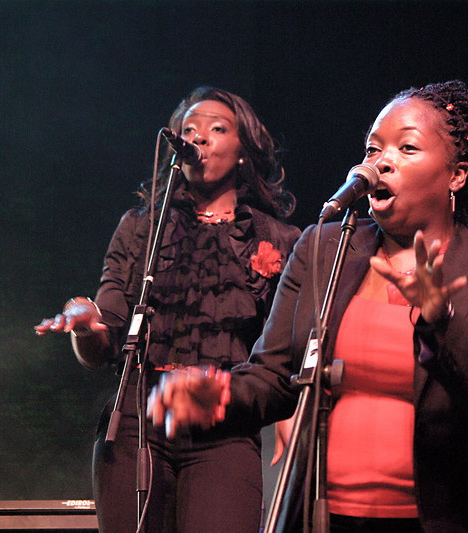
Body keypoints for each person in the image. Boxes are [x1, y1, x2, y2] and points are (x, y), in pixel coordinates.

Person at [147, 80, 468, 532]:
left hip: (444, 518)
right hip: (324, 517)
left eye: (407, 148)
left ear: (457, 174)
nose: (381, 162)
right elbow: (274, 375)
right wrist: (221, 395)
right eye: (373, 149)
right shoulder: (322, 250)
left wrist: (442, 321)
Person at [34, 86, 302, 533]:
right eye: (189, 130)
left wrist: (288, 413)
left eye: (218, 128)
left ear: (242, 151)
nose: (200, 138)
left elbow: (281, 352)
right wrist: (86, 326)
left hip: (224, 428)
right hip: (138, 422)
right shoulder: (141, 227)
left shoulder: (278, 238)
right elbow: (105, 344)